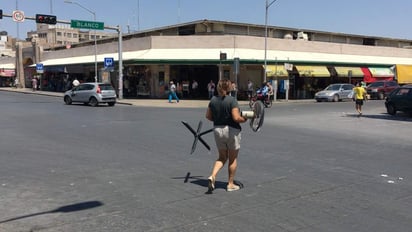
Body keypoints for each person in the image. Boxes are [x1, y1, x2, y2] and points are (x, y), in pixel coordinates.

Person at [205, 79, 248, 193]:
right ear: (229, 88)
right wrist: (245, 118)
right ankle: (230, 184)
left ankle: (212, 176)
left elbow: (208, 116)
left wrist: (219, 118)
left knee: (222, 157)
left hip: (218, 130)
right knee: (232, 158)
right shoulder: (232, 100)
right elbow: (236, 118)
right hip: (232, 130)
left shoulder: (213, 100)